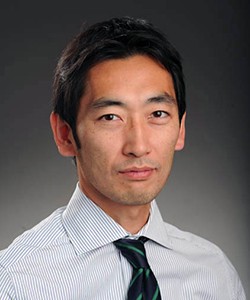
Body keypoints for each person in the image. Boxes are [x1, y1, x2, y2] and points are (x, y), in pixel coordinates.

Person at [0, 16, 246, 299]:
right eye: (110, 117)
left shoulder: (213, 273)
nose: (138, 146)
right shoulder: (15, 281)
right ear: (65, 135)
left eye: (157, 114)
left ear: (180, 129)